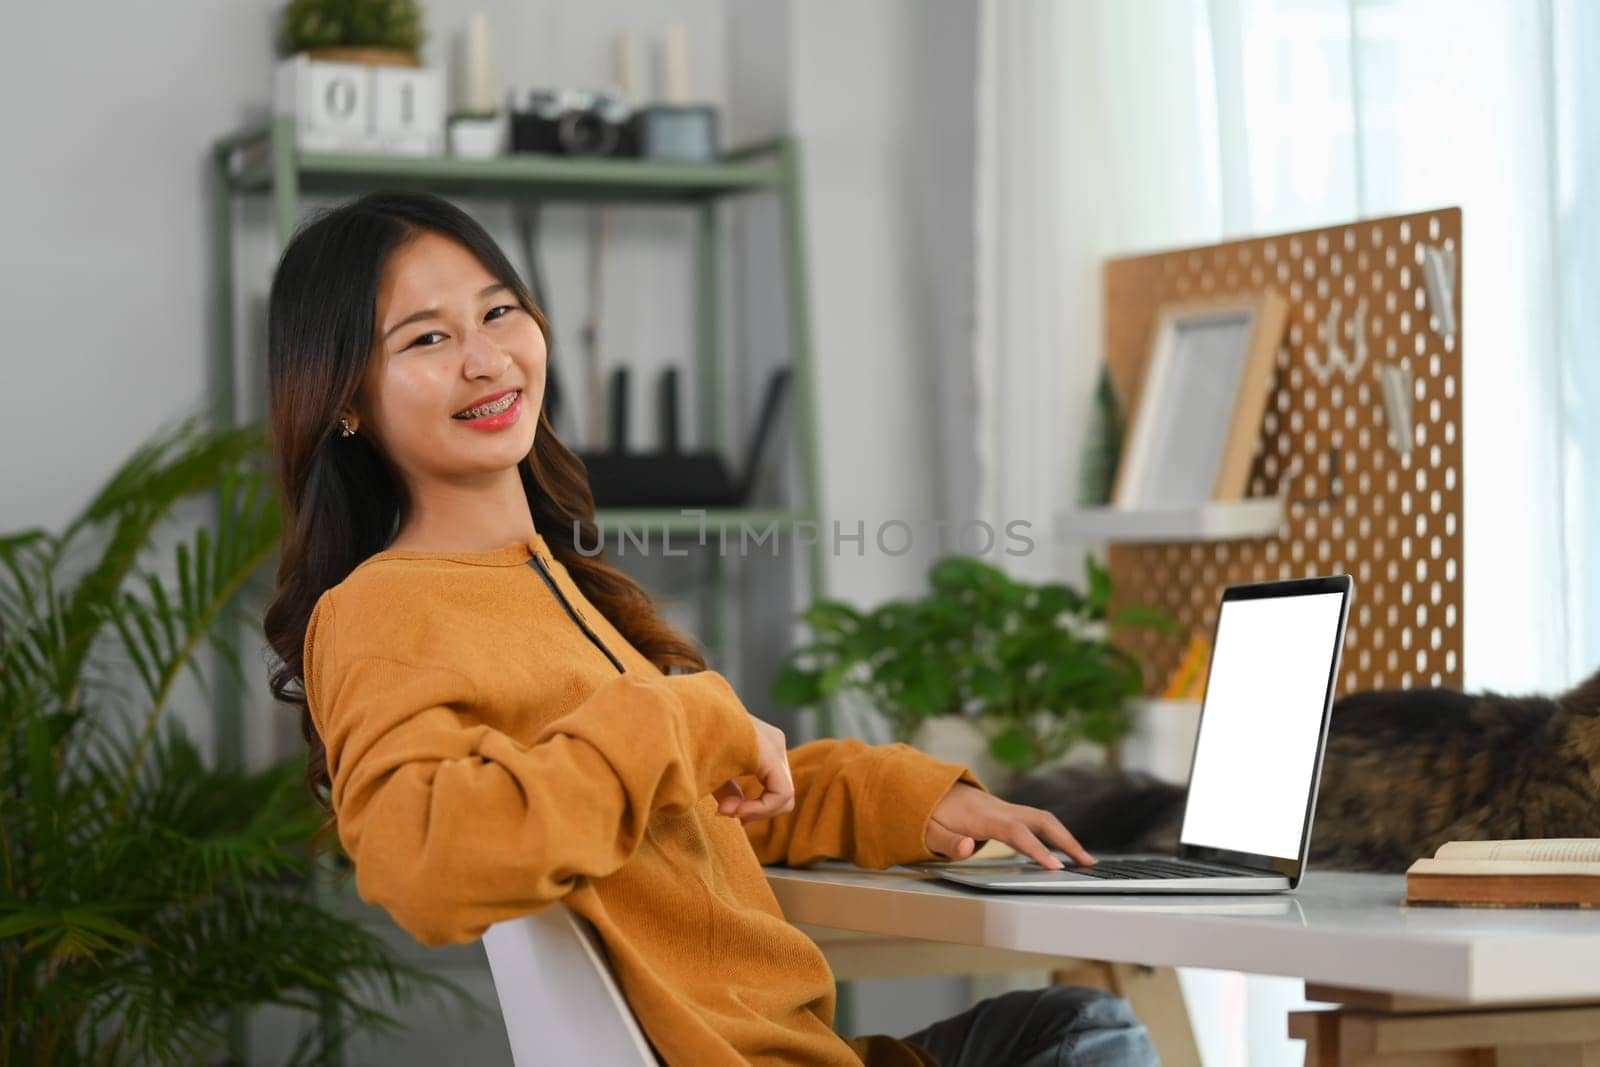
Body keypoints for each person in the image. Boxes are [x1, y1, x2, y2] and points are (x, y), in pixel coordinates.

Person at [262, 190, 1159, 1067]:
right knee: (1094, 1036)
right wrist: (683, 717)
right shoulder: (383, 606)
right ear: (344, 398)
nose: (487, 358)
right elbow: (423, 862)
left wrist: (902, 797)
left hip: (806, 1045)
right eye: (427, 337)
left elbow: (687, 814)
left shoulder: (558, 582)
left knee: (1084, 1022)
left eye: (500, 312)